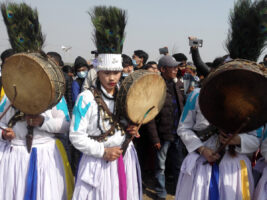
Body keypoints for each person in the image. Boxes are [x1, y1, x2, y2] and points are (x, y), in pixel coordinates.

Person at [70, 6, 142, 200]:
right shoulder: (85, 98)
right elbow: (76, 136)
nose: (112, 78)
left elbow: (130, 122)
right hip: (97, 162)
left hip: (124, 158)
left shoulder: (126, 95)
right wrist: (102, 151)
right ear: (98, 72)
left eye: (116, 73)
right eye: (106, 73)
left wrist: (133, 129)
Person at [175, 81, 259, 199]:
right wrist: (202, 149)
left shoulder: (251, 100)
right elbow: (183, 128)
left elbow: (257, 140)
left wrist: (237, 139)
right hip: (201, 164)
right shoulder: (197, 95)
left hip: (234, 170)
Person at [0, 94, 73, 199]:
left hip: (46, 157)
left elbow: (65, 124)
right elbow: (1, 122)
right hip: (15, 158)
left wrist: (43, 121)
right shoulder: (10, 94)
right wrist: (4, 134)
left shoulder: (53, 93)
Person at [146, 55, 186, 200]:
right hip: (163, 135)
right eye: (173, 67)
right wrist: (155, 138)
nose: (176, 69)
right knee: (161, 167)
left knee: (178, 164)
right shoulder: (155, 87)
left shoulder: (178, 84)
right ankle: (161, 192)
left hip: (178, 133)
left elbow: (184, 106)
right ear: (163, 69)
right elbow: (149, 116)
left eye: (177, 67)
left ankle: (178, 189)